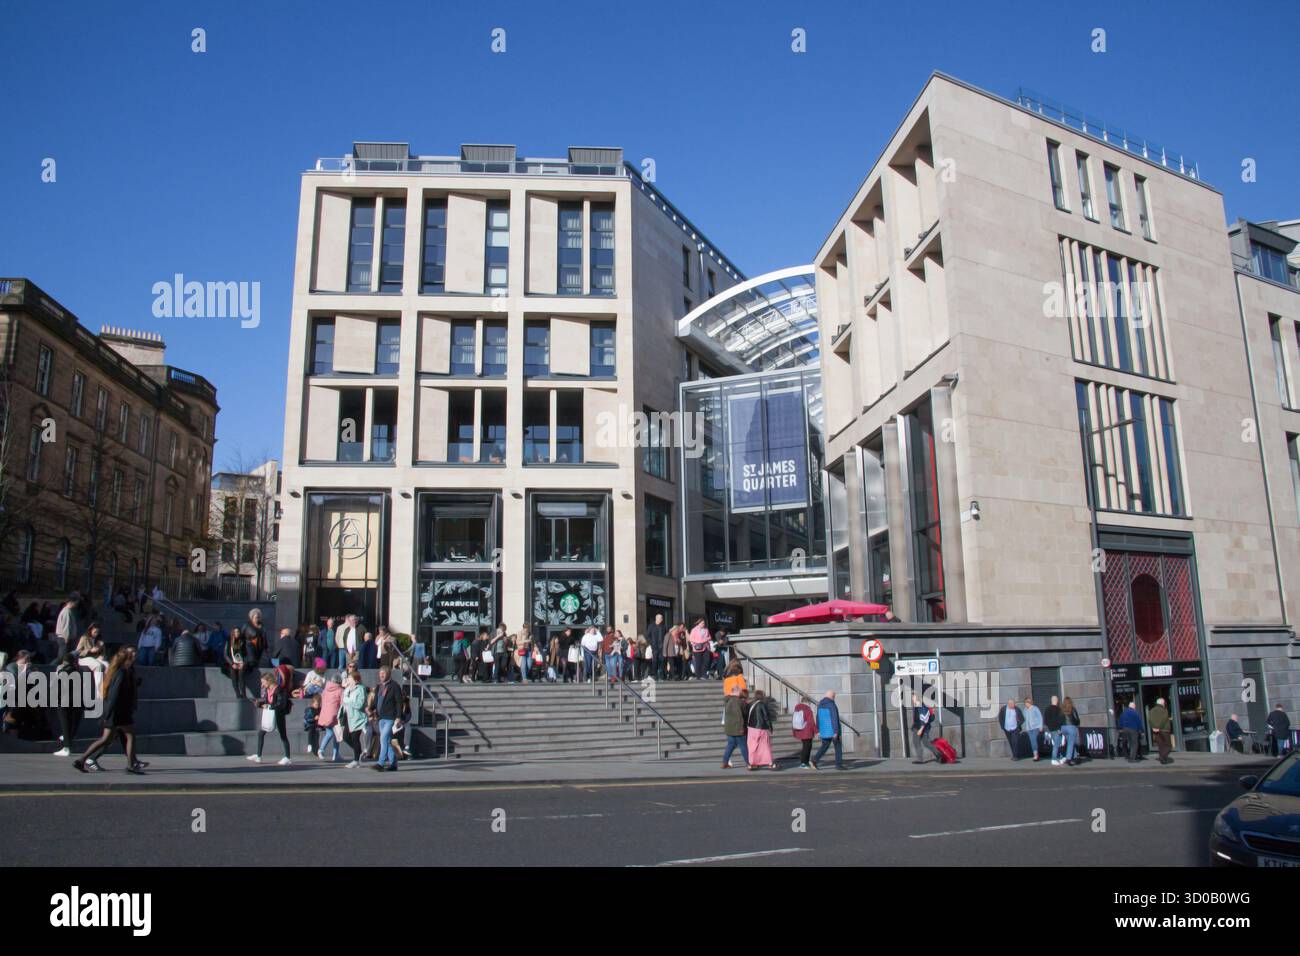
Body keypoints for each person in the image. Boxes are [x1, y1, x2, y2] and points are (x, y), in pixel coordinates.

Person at [74, 647, 145, 774]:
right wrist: (108, 713)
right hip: (119, 711)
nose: (133, 659)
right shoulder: (121, 672)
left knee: (106, 739)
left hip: (116, 711)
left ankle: (81, 760)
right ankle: (130, 765)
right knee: (130, 736)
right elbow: (114, 694)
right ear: (126, 660)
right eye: (131, 658)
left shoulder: (120, 671)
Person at [370, 666, 408, 772]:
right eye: (380, 673)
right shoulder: (379, 686)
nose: (381, 675)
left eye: (383, 673)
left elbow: (399, 702)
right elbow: (376, 700)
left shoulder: (394, 686)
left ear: (388, 674)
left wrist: (398, 717)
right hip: (381, 717)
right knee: (387, 741)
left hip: (391, 717)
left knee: (383, 738)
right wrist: (370, 709)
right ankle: (393, 764)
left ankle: (380, 763)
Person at [249, 671, 292, 765]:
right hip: (270, 715)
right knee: (261, 733)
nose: (262, 684)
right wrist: (259, 704)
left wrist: (270, 706)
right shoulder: (267, 690)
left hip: (278, 715)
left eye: (263, 682)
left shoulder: (279, 689)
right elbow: (266, 702)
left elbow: (281, 704)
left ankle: (287, 757)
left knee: (283, 735)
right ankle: (258, 756)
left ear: (269, 681)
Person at [52, 652, 83, 756]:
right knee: (70, 724)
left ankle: (66, 748)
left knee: (65, 724)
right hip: (76, 701)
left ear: (63, 661)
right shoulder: (78, 671)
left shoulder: (62, 671)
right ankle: (68, 745)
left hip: (64, 701)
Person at [298, 658, 328, 755]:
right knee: (314, 687)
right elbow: (305, 685)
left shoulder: (324, 676)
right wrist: (314, 682)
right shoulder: (311, 673)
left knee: (319, 688)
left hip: (319, 693)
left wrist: (320, 684)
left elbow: (325, 687)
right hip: (309, 690)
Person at [811, 690, 844, 770]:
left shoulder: (820, 704)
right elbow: (834, 718)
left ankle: (814, 760)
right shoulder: (832, 705)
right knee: (838, 747)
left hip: (824, 730)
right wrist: (836, 731)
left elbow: (818, 717)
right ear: (832, 697)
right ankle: (838, 765)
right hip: (832, 730)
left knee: (824, 746)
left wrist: (818, 730)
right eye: (834, 697)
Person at [340, 671, 368, 767]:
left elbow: (359, 704)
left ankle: (356, 761)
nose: (348, 679)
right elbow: (343, 702)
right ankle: (359, 752)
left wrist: (348, 701)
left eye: (350, 678)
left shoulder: (360, 689)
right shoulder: (347, 690)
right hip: (348, 716)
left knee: (355, 738)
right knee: (345, 737)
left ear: (355, 680)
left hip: (357, 717)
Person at [746, 689, 778, 770]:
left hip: (751, 728)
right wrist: (770, 727)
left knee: (752, 747)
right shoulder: (762, 705)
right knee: (765, 746)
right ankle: (770, 763)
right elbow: (766, 717)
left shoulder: (751, 704)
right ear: (762, 696)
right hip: (761, 728)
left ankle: (752, 763)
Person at [317, 674, 345, 762]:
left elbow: (322, 701)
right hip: (334, 715)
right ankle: (321, 750)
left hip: (325, 714)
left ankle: (336, 754)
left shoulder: (326, 689)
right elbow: (342, 704)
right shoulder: (340, 690)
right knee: (331, 734)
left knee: (334, 734)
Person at [721, 685, 749, 769]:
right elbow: (739, 716)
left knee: (730, 745)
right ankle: (749, 763)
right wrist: (741, 728)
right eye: (740, 691)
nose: (741, 692)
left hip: (729, 728)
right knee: (743, 746)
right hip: (737, 728)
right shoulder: (737, 701)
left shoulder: (728, 700)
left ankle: (724, 762)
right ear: (736, 691)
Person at [910, 691, 941, 764]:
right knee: (926, 743)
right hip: (919, 726)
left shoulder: (921, 706)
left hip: (920, 727)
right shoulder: (917, 705)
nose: (912, 698)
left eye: (913, 696)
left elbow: (925, 718)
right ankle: (938, 754)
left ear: (917, 697)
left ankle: (920, 759)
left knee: (916, 742)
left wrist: (921, 729)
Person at [225, 626, 252, 700]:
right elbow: (226, 654)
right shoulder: (229, 641)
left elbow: (248, 654)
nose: (237, 633)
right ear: (233, 633)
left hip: (241, 663)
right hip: (232, 663)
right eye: (235, 632)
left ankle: (243, 695)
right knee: (234, 679)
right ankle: (238, 694)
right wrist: (232, 664)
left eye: (238, 632)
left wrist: (244, 663)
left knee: (241, 678)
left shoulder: (243, 641)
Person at [1044, 695, 1072, 766]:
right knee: (1057, 744)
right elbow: (1062, 720)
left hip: (1051, 729)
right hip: (1057, 729)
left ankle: (1060, 757)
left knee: (1057, 744)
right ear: (1057, 701)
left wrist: (1049, 727)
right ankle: (1054, 759)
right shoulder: (1059, 709)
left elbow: (1045, 720)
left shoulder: (1047, 709)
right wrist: (1060, 728)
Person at [1148, 697, 1174, 765]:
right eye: (1164, 703)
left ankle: (1163, 759)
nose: (1165, 704)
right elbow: (1164, 719)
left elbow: (1150, 720)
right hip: (1164, 730)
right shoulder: (1164, 710)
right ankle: (1163, 757)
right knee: (1168, 746)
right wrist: (1158, 727)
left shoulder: (1151, 710)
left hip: (1155, 730)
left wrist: (1154, 727)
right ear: (1162, 703)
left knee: (1161, 745)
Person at [792, 696, 816, 768]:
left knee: (805, 746)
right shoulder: (807, 709)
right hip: (807, 731)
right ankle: (804, 763)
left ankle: (804, 762)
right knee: (807, 747)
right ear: (807, 702)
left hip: (800, 730)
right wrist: (816, 731)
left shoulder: (797, 708)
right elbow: (811, 722)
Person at [1061, 696, 1082, 764]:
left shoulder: (1062, 709)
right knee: (1071, 743)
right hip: (1071, 727)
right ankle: (1068, 758)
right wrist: (1078, 724)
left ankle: (1075, 757)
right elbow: (1076, 719)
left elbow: (1059, 719)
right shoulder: (1072, 709)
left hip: (1063, 728)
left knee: (1070, 742)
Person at [645, 613, 666, 680]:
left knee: (662, 661)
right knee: (655, 661)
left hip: (661, 647)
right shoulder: (651, 626)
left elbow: (665, 636)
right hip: (654, 646)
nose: (662, 619)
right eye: (661, 618)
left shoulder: (663, 626)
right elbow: (647, 635)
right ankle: (655, 675)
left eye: (662, 618)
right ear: (657, 618)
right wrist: (651, 643)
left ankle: (662, 675)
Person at [1024, 695, 1044, 762]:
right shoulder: (1025, 710)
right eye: (1025, 703)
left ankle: (1036, 755)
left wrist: (1041, 726)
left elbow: (1040, 717)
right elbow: (1026, 719)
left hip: (1035, 727)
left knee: (1033, 740)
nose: (1025, 704)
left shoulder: (1035, 708)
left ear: (1029, 702)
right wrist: (1026, 727)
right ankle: (1035, 754)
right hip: (1029, 728)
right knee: (1032, 741)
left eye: (1026, 703)